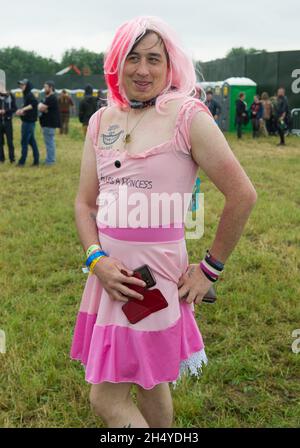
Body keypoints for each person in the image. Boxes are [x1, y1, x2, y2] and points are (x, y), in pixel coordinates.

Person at [69, 16, 257, 428]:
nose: (142, 69)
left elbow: (242, 195)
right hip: (108, 278)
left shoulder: (188, 115)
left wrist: (210, 270)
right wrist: (96, 259)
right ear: (116, 63)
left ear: (170, 65)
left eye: (154, 58)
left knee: (105, 398)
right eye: (132, 57)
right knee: (151, 381)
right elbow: (85, 205)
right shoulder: (101, 121)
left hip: (153, 282)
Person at [15, 79, 40, 166]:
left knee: (24, 141)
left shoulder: (29, 95)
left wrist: (22, 109)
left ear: (27, 86)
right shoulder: (26, 95)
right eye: (20, 85)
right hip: (27, 121)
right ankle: (36, 160)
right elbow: (29, 107)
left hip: (29, 123)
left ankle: (22, 161)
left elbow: (34, 103)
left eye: (23, 85)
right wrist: (22, 111)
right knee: (32, 141)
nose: (21, 86)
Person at [38, 81, 60, 165]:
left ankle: (50, 161)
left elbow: (42, 108)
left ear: (50, 88)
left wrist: (42, 107)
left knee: (50, 143)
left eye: (46, 87)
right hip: (46, 124)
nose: (44, 89)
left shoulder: (52, 98)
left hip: (49, 124)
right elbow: (41, 107)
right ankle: (49, 159)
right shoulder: (47, 97)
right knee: (48, 142)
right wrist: (42, 107)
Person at [0, 88, 17, 163]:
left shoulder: (11, 96)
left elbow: (14, 108)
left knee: (10, 141)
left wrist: (5, 111)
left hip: (8, 121)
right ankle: (1, 159)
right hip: (0, 122)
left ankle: (12, 158)